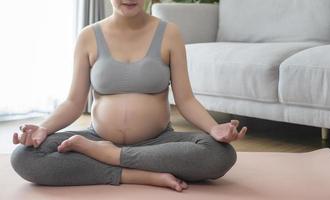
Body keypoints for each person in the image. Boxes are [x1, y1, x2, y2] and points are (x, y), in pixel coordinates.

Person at [10, 0, 247, 192]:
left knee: (220, 155)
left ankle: (111, 156)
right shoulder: (88, 37)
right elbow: (74, 102)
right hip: (96, 139)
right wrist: (43, 128)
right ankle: (134, 174)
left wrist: (213, 128)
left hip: (158, 142)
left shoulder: (169, 34)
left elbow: (185, 99)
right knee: (24, 157)